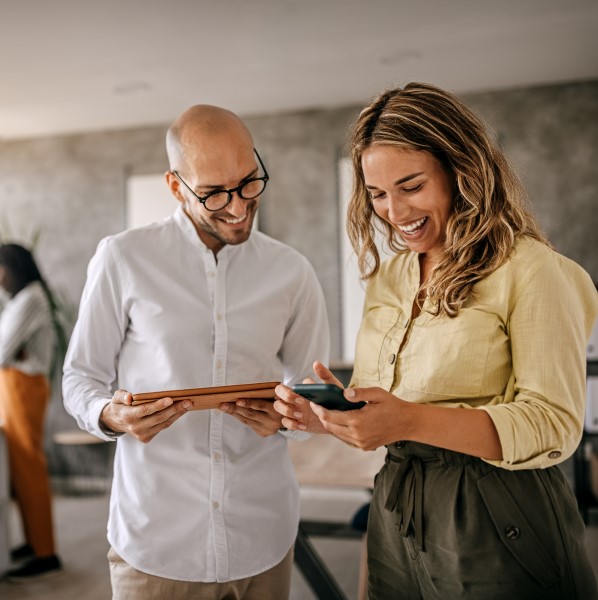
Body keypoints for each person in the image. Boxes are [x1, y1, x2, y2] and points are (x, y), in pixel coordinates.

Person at [274, 82, 598, 599]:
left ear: (460, 171)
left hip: (498, 512)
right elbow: (388, 401)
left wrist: (408, 419)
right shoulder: (389, 278)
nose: (394, 212)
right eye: (377, 194)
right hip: (398, 506)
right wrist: (329, 417)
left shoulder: (531, 270)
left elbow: (554, 424)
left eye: (411, 186)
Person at [62, 105, 329, 599]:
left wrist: (297, 415)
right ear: (175, 185)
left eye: (249, 182)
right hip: (158, 542)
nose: (238, 205)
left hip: (263, 535)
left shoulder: (292, 272)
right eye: (213, 193)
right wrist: (111, 415)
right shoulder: (122, 258)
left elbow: (310, 390)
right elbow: (80, 378)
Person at [0, 243, 62, 580]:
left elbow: (1, 349)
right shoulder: (20, 300)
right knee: (20, 470)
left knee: (29, 467)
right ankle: (34, 541)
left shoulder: (30, 299)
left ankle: (45, 552)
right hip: (16, 386)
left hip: (23, 388)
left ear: (11, 267)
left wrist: (12, 352)